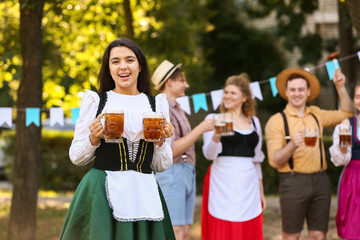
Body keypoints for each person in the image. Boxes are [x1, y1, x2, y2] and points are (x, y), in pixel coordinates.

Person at [59, 38, 176, 240]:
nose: (123, 66)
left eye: (129, 60)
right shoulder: (96, 101)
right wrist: (94, 138)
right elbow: (76, 157)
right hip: (101, 193)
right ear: (109, 68)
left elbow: (161, 164)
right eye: (115, 61)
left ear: (140, 66)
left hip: (144, 193)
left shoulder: (156, 105)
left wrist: (160, 143)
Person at [265, 67, 354, 240]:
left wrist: (341, 87)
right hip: (293, 181)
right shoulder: (276, 121)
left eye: (300, 89)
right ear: (286, 92)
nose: (297, 93)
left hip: (321, 181)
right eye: (292, 90)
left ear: (308, 92)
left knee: (319, 235)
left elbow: (348, 113)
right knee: (292, 236)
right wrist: (292, 146)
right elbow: (274, 160)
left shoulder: (316, 114)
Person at [151, 60, 214, 240]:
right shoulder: (161, 109)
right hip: (172, 172)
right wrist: (200, 129)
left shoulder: (178, 108)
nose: (186, 85)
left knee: (185, 231)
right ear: (169, 82)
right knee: (175, 231)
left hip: (187, 171)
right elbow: (170, 149)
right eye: (182, 80)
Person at [201, 73, 266, 240]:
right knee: (223, 227)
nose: (227, 96)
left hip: (248, 182)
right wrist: (216, 135)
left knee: (247, 229)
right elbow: (209, 155)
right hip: (222, 179)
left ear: (244, 97)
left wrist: (261, 191)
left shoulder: (255, 122)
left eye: (233, 93)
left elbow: (256, 159)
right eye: (226, 92)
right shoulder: (214, 119)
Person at [329, 83, 360, 240]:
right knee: (353, 227)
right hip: (353, 179)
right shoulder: (347, 124)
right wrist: (342, 149)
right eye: (357, 97)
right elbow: (341, 159)